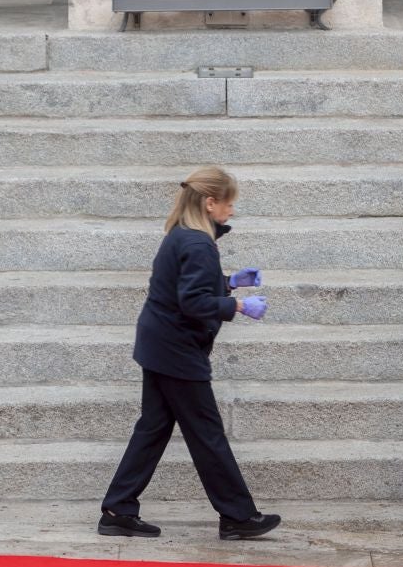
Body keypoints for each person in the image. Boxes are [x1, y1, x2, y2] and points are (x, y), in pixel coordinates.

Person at [99, 166, 281, 541]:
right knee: (207, 433)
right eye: (229, 203)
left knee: (153, 428)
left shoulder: (183, 235)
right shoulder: (198, 242)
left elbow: (185, 287)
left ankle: (118, 508)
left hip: (160, 344)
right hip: (176, 350)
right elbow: (193, 301)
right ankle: (237, 515)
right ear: (210, 202)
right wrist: (239, 307)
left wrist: (229, 282)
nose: (231, 211)